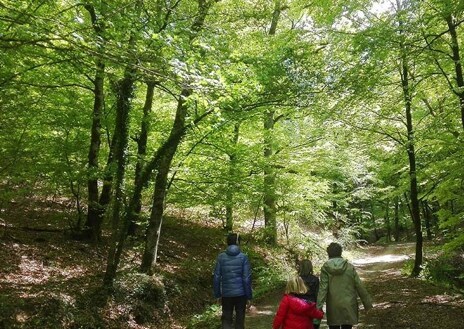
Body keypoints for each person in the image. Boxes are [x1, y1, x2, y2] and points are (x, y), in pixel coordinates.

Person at [317, 242, 373, 329]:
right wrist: (367, 304)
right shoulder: (349, 267)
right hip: (349, 304)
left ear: (328, 253)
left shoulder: (325, 268)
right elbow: (359, 286)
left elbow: (323, 289)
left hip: (333, 306)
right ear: (341, 252)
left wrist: (318, 308)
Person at [213, 233, 252, 329]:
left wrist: (217, 294)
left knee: (226, 319)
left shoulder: (221, 257)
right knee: (240, 319)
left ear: (227, 242)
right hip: (241, 294)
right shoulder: (243, 257)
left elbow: (216, 277)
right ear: (238, 243)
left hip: (226, 294)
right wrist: (249, 296)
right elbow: (246, 279)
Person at [298, 259, 320, 329]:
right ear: (310, 267)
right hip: (312, 305)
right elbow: (317, 294)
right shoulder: (315, 279)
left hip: (298, 305)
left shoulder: (296, 279)